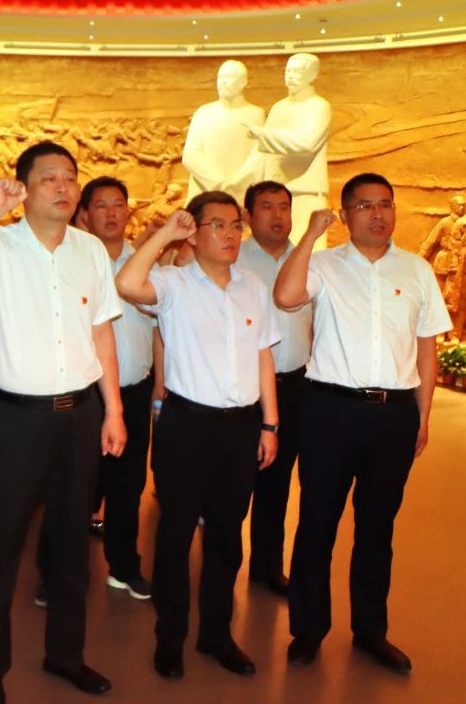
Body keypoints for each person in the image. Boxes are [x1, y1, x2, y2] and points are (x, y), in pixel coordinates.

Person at [0, 141, 125, 703]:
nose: (64, 187)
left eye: (70, 177)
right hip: (13, 421)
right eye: (49, 178)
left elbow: (102, 331)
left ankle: (65, 655)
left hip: (79, 415)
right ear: (23, 187)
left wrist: (114, 410)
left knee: (71, 546)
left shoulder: (90, 250)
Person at [273, 173, 451, 673]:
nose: (378, 214)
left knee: (377, 527)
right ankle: (309, 628)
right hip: (330, 412)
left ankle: (371, 631)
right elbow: (285, 297)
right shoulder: (324, 264)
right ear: (346, 213)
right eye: (366, 205)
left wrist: (422, 415)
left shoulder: (416, 270)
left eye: (386, 204)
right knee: (317, 522)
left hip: (394, 416)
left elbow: (427, 347)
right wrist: (311, 235)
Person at [116, 191, 280, 681]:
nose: (230, 235)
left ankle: (216, 634)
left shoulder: (253, 286)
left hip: (242, 427)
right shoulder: (173, 283)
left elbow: (264, 356)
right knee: (175, 535)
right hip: (186, 426)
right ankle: (170, 638)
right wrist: (167, 234)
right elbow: (127, 283)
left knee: (227, 537)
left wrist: (270, 423)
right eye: (217, 225)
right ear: (195, 232)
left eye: (235, 226)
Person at [74, 176, 157, 601]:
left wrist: (159, 387)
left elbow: (159, 327)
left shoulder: (145, 262)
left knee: (128, 486)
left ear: (128, 211)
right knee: (74, 487)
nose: (111, 212)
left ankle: (123, 567)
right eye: (101, 205)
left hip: (135, 390)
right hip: (84, 394)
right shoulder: (73, 259)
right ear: (85, 214)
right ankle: (60, 574)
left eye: (118, 204)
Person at [237, 181, 313, 595]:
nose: (278, 215)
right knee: (234, 483)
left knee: (278, 481)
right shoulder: (234, 258)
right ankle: (220, 569)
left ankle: (266, 567)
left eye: (284, 206)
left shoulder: (308, 260)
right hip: (244, 390)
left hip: (295, 386)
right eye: (267, 207)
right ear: (248, 216)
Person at [248, 53, 332, 242]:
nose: (291, 76)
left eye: (298, 71)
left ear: (312, 75)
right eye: (288, 71)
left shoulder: (319, 106)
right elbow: (263, 154)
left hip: (306, 189)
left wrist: (263, 134)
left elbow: (307, 142)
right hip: (275, 189)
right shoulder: (279, 108)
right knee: (271, 246)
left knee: (308, 245)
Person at [182, 60, 266, 204]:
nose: (223, 82)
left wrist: (237, 184)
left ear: (243, 82)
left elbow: (259, 156)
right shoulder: (204, 113)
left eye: (230, 77)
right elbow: (191, 154)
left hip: (241, 194)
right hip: (206, 193)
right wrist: (219, 183)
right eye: (221, 77)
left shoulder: (255, 114)